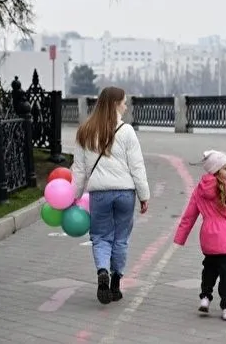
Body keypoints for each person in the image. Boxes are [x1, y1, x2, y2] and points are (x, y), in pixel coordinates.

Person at [71, 86, 150, 305]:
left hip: (100, 194)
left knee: (101, 236)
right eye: (124, 102)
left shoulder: (85, 131)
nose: (126, 106)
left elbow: (79, 169)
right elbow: (137, 167)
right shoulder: (126, 131)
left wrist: (74, 196)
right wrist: (144, 195)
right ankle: (115, 283)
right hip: (125, 193)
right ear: (115, 104)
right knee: (121, 237)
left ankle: (103, 271)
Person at [174, 150, 226, 321]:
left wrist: (180, 237)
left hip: (208, 237)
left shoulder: (199, 190)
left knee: (209, 268)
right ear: (216, 171)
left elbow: (189, 215)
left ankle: (205, 297)